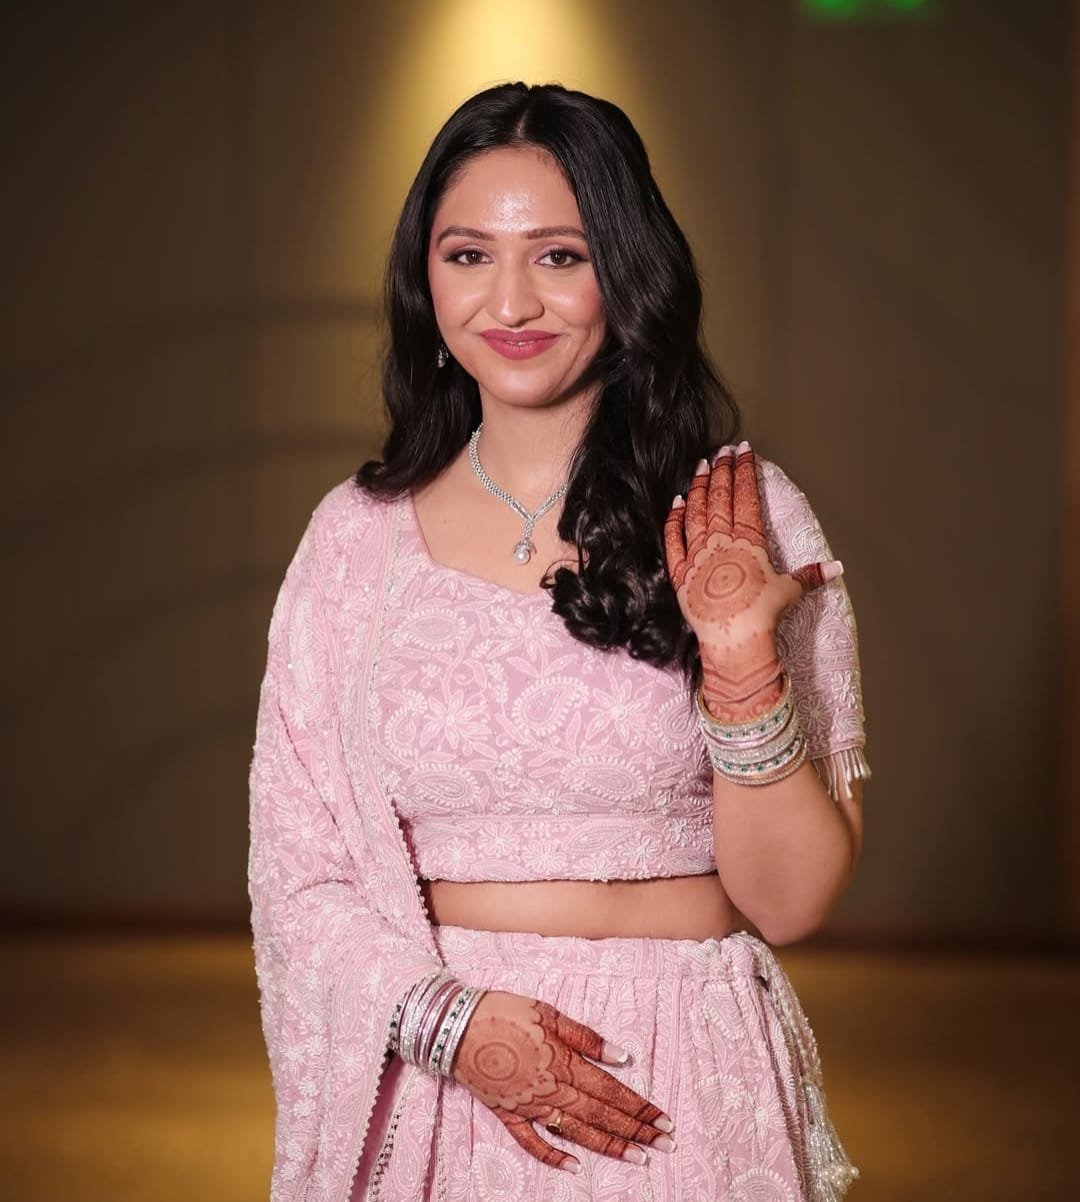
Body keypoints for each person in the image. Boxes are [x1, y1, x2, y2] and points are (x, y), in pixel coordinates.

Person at [248, 81, 870, 1202]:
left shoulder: (740, 519)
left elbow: (791, 903)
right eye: (469, 255)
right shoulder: (355, 541)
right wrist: (450, 1026)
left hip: (674, 1081)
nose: (511, 299)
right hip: (443, 1069)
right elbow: (299, 873)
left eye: (560, 255)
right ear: (424, 281)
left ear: (627, 272)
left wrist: (739, 661)